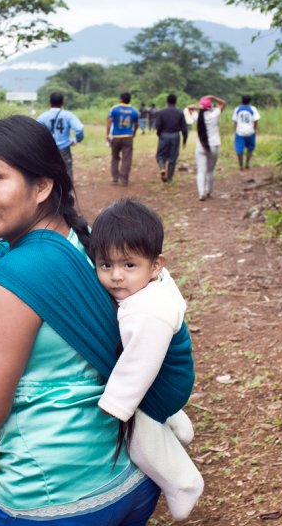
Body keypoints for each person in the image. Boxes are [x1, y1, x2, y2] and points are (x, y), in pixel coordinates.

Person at [0, 115, 195, 525]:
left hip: (53, 496)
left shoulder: (20, 277)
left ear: (43, 186)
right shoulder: (92, 246)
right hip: (130, 479)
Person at [90, 198, 203, 520]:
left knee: (140, 436)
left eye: (128, 265)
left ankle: (183, 482)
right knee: (153, 412)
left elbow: (137, 368)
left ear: (156, 264)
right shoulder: (154, 285)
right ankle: (175, 422)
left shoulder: (147, 312)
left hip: (164, 381)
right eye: (105, 264)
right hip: (172, 373)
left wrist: (115, 408)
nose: (115, 276)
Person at [36, 91, 85, 181]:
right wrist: (77, 140)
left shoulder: (42, 117)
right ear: (62, 102)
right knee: (66, 168)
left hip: (48, 148)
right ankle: (68, 189)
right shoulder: (68, 115)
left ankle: (51, 189)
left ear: (50, 102)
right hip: (64, 147)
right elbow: (79, 129)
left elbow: (35, 132)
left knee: (48, 169)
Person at [187, 95, 226, 200]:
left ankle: (201, 193)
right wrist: (213, 97)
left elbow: (189, 108)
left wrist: (199, 107)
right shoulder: (214, 115)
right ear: (210, 107)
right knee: (210, 171)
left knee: (200, 171)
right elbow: (223, 103)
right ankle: (208, 191)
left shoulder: (196, 117)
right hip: (213, 145)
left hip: (200, 146)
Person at [106, 92, 141, 186]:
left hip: (116, 136)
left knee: (115, 157)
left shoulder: (114, 109)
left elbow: (109, 122)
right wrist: (134, 133)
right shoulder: (134, 111)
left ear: (121, 99)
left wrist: (107, 134)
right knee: (127, 158)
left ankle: (115, 178)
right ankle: (124, 179)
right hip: (128, 137)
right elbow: (137, 124)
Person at [153, 94, 188, 183]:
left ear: (167, 101)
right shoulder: (180, 112)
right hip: (175, 135)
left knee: (160, 155)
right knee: (173, 158)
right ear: (176, 102)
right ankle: (170, 179)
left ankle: (162, 168)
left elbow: (158, 126)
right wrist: (184, 139)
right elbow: (184, 128)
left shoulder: (161, 112)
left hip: (164, 135)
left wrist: (159, 135)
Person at [232, 94, 261, 170]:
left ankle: (240, 165)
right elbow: (256, 120)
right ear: (250, 101)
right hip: (250, 131)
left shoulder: (237, 109)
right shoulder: (253, 109)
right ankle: (247, 163)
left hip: (240, 131)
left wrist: (235, 130)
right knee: (250, 148)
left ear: (241, 100)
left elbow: (235, 121)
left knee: (239, 149)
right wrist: (254, 129)